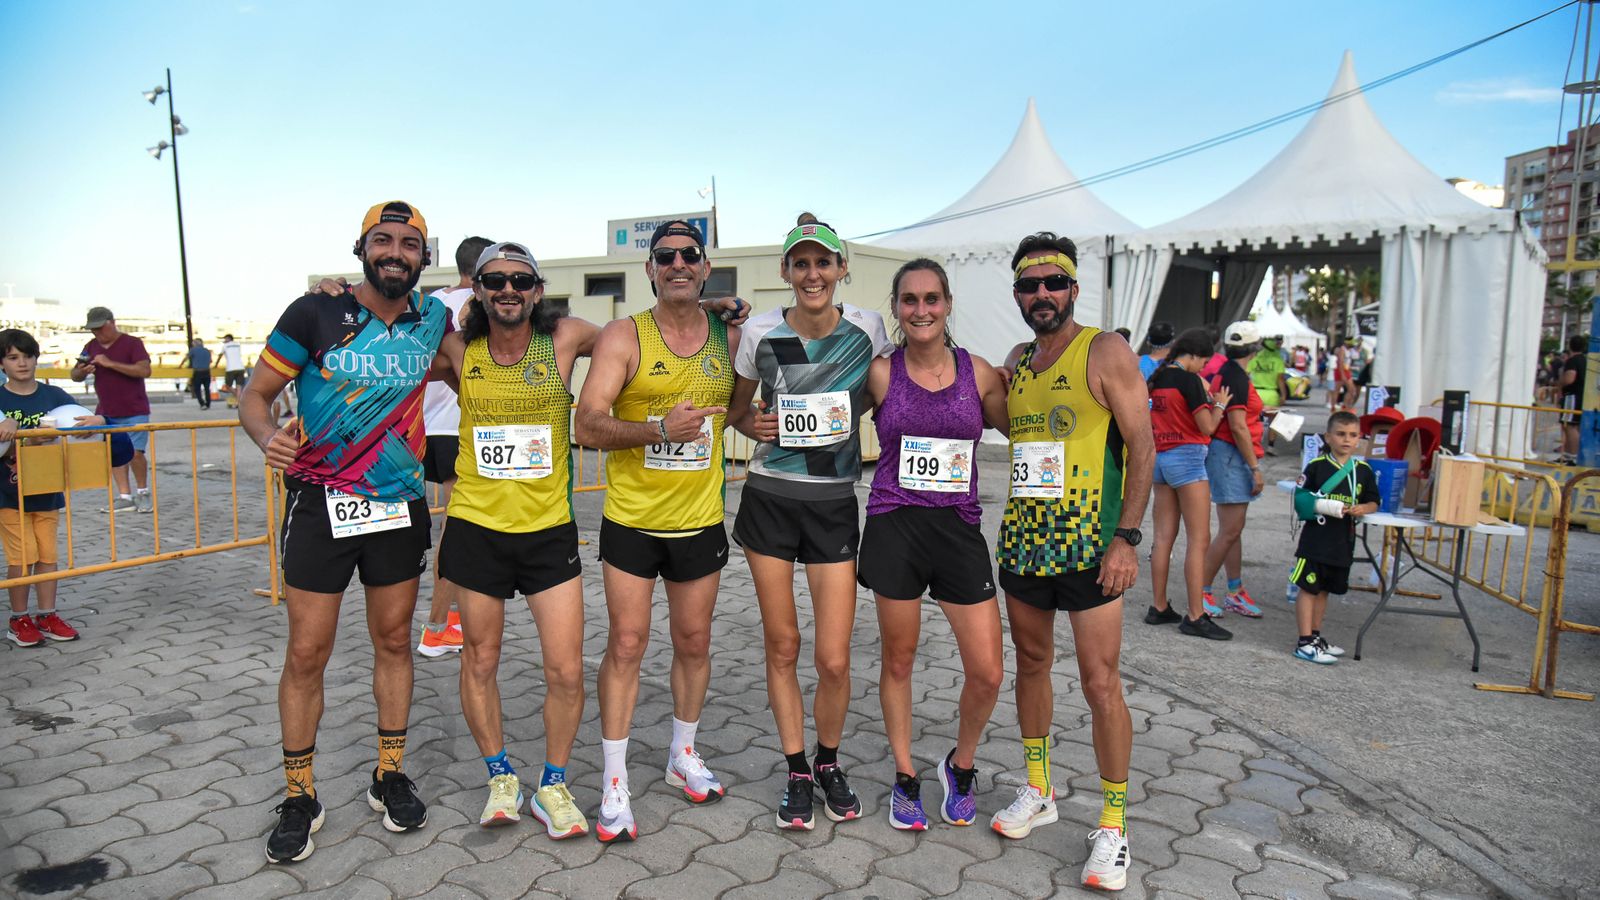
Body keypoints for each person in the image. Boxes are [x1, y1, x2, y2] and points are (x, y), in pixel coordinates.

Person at [242, 201, 451, 864]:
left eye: (409, 244)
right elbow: (254, 395)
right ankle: (299, 794)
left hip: (398, 506)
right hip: (320, 502)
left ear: (424, 257)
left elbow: (492, 348)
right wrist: (268, 437)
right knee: (308, 652)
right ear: (362, 249)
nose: (396, 252)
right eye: (383, 240)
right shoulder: (314, 312)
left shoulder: (435, 319)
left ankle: (389, 774)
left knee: (394, 640)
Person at [993, 233, 1154, 892]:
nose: (1042, 294)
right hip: (1026, 541)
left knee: (1100, 682)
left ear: (1073, 289)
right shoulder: (1018, 362)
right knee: (1031, 664)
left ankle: (1114, 825)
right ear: (1017, 295)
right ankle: (1039, 789)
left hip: (1092, 546)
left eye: (1053, 283)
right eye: (1029, 285)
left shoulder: (1105, 350)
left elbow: (1143, 445)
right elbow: (1007, 426)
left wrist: (1128, 538)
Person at [573, 219, 740, 843]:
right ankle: (614, 780)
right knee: (626, 644)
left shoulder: (729, 333)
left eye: (689, 254)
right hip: (633, 521)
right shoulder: (624, 335)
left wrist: (763, 423)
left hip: (699, 519)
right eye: (664, 256)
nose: (677, 264)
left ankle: (681, 754)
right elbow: (587, 424)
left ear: (705, 267)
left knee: (694, 642)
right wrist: (660, 430)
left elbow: (738, 407)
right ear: (649, 269)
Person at [724, 214, 891, 830]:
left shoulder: (868, 329)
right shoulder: (761, 332)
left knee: (834, 659)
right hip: (770, 497)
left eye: (823, 262)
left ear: (841, 268)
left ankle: (829, 761)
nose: (812, 274)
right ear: (786, 272)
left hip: (832, 502)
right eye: (801, 264)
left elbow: (883, 392)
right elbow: (738, 413)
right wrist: (755, 425)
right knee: (783, 644)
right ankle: (796, 769)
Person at [430, 241, 596, 838]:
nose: (508, 289)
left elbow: (642, 336)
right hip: (477, 526)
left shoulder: (566, 337)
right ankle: (501, 777)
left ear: (537, 290)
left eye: (520, 280)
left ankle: (552, 785)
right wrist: (337, 297)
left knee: (567, 670)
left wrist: (707, 307)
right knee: (480, 659)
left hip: (548, 530)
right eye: (495, 280)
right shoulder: (457, 347)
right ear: (476, 289)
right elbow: (391, 340)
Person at [857, 258, 1010, 832]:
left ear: (947, 304)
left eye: (931, 299)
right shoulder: (879, 373)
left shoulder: (979, 372)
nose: (921, 310)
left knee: (988, 671)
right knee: (899, 660)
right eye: (909, 300)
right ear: (896, 309)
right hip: (895, 525)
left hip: (958, 529)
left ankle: (960, 765)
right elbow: (828, 410)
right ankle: (904, 775)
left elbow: (1021, 425)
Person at [415, 235, 493, 659]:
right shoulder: (480, 304)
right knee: (456, 530)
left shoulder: (431, 303)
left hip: (421, 429)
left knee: (454, 527)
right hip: (456, 429)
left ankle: (454, 619)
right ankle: (436, 627)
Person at [2, 329, 103, 647]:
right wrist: (11, 429)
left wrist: (98, 421)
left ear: (37, 359)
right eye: (13, 357)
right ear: (2, 364)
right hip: (9, 494)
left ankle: (47, 614)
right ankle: (18, 619)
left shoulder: (54, 395)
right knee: (23, 556)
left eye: (28, 356)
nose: (22, 363)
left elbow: (85, 421)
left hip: (47, 489)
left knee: (47, 555)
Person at [1143, 328, 1232, 640]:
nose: (1203, 368)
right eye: (1203, 362)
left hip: (1159, 459)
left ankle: (1159, 606)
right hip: (1188, 458)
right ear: (1194, 356)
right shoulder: (1189, 380)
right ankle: (1195, 615)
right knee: (1199, 539)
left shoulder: (1157, 377)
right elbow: (1206, 427)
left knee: (1162, 538)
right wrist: (1220, 405)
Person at [1289, 410, 1379, 664]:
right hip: (1316, 541)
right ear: (1328, 437)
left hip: (1342, 542)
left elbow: (1374, 501)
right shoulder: (1317, 466)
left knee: (1324, 590)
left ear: (1359, 438)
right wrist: (1325, 506)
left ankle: (1315, 636)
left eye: (1352, 435)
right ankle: (1304, 642)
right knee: (1308, 588)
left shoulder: (1363, 470)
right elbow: (1301, 499)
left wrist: (1363, 508)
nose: (1346, 439)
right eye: (1340, 434)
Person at [1200, 321, 1266, 620]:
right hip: (1231, 454)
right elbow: (1238, 426)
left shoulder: (1227, 371)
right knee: (1229, 530)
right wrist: (1255, 467)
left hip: (1226, 453)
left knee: (1233, 529)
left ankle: (1234, 589)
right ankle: (1201, 591)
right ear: (1255, 348)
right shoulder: (1235, 376)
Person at [70, 307, 152, 514]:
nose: (96, 333)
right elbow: (74, 375)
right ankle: (125, 496)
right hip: (106, 411)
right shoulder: (90, 346)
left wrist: (110, 363)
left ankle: (143, 492)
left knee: (135, 453)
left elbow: (144, 370)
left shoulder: (133, 343)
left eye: (99, 328)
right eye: (93, 329)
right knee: (116, 453)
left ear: (112, 323)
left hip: (134, 408)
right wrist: (82, 371)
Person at [1560, 335, 1588, 464]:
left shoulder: (1572, 361)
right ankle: (1568, 455)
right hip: (1581, 396)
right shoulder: (1585, 360)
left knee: (1570, 426)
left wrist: (1559, 383)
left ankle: (1573, 456)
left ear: (1570, 345)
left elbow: (1569, 378)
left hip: (1572, 396)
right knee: (1573, 426)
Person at [1247, 335, 1289, 409]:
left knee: (1254, 415)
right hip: (1271, 394)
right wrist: (1283, 396)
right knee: (1272, 416)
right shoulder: (1278, 361)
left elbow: (1245, 376)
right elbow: (1280, 380)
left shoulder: (1254, 359)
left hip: (1255, 393)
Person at [182, 338, 213, 410]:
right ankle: (208, 404)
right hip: (207, 371)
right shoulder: (207, 351)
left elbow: (186, 358)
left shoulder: (193, 350)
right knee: (207, 389)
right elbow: (210, 361)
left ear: (195, 343)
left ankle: (202, 404)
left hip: (198, 372)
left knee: (197, 389)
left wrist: (180, 366)